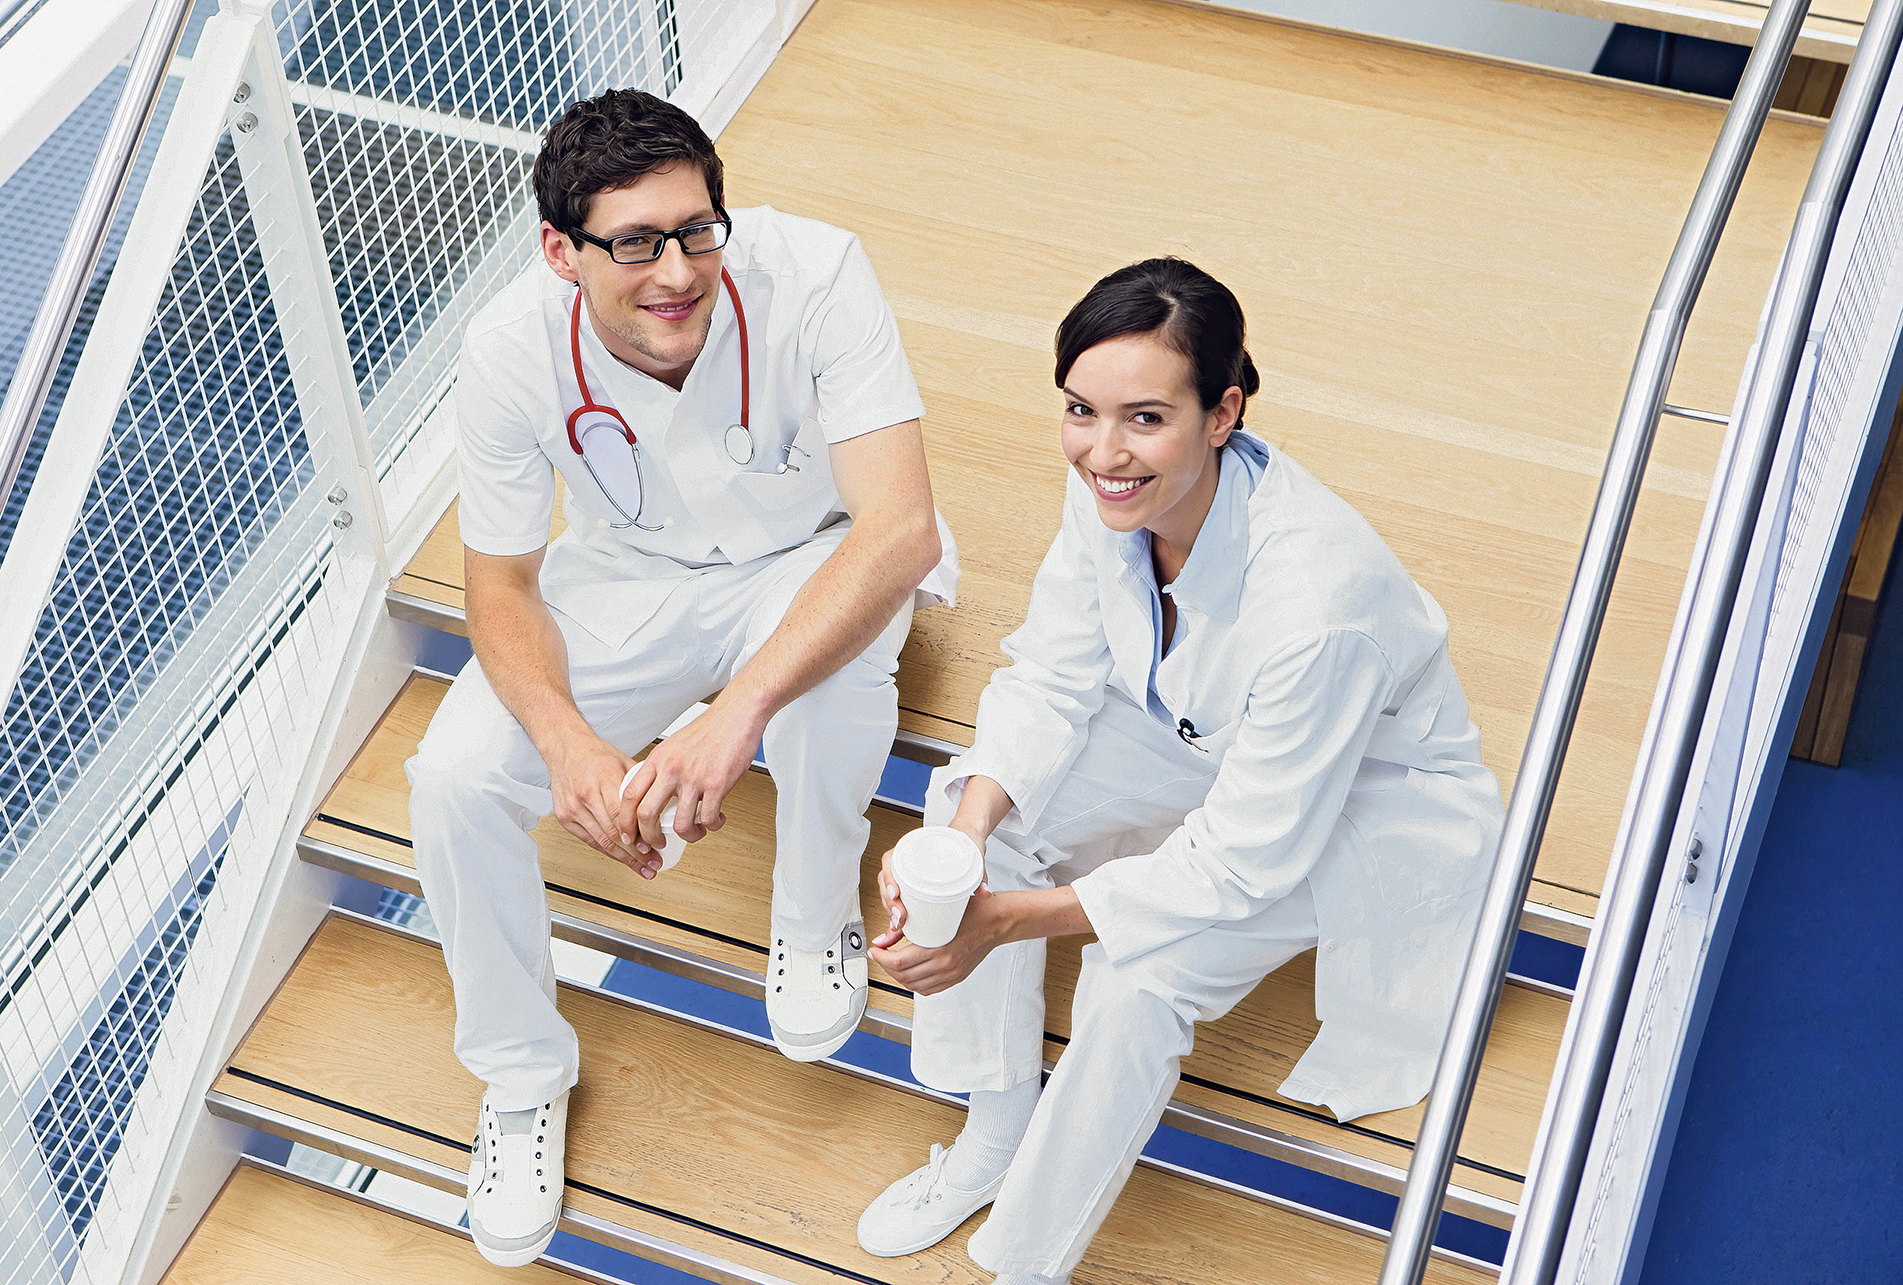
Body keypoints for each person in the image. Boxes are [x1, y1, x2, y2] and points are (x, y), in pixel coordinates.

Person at [855, 259, 1502, 1283]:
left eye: (1144, 418)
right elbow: (1053, 676)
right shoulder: (1115, 492)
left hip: (1354, 809)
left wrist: (1004, 920)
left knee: (1134, 975)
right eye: (1080, 409)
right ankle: (995, 1121)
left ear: (1222, 412)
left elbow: (1242, 859)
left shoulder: (1317, 607)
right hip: (1194, 733)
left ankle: (1022, 1259)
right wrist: (962, 846)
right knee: (963, 802)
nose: (1103, 452)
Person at [406, 89, 954, 1266]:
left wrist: (730, 718)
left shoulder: (816, 274)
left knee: (826, 676)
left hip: (816, 550)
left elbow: (899, 530)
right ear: (561, 251)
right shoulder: (507, 351)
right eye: (635, 243)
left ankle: (812, 918)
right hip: (631, 576)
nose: (678, 271)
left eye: (698, 229)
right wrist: (566, 745)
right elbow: (498, 585)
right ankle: (518, 1077)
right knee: (452, 776)